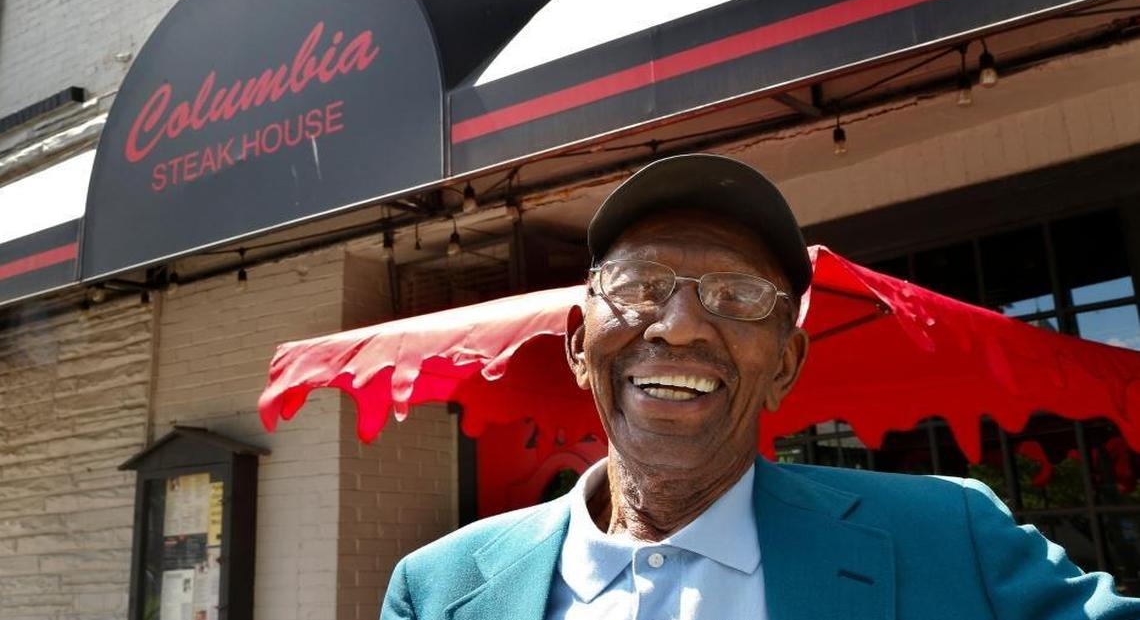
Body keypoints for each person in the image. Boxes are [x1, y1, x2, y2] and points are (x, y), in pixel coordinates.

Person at [381, 154, 1140, 620]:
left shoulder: (949, 537)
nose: (677, 327)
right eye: (641, 285)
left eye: (738, 295)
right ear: (580, 345)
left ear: (784, 364)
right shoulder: (438, 590)